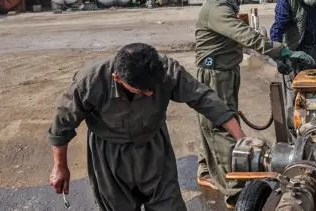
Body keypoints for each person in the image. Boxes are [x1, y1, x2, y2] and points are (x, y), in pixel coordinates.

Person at [47, 42, 244, 211]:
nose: (150, 94)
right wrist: (60, 166)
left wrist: (241, 139)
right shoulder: (91, 81)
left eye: (153, 88)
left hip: (154, 149)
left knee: (168, 205)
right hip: (109, 156)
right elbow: (62, 124)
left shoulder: (165, 69)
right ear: (118, 79)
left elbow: (204, 98)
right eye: (143, 90)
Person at [194, 0, 312, 208]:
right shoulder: (217, 9)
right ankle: (234, 192)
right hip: (216, 74)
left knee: (218, 122)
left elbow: (242, 42)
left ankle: (207, 171)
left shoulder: (224, 3)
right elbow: (246, 35)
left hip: (225, 72)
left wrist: (274, 56)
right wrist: (282, 51)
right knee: (222, 127)